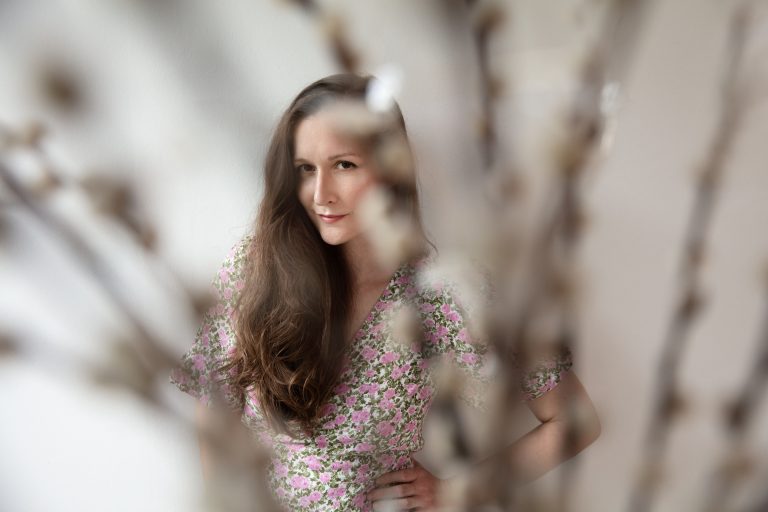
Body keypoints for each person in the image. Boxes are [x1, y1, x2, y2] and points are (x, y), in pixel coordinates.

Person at [170, 72, 601, 511]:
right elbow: (212, 402)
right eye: (306, 169)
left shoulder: (440, 298)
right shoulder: (257, 269)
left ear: (390, 170)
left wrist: (456, 492)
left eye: (344, 165)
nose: (321, 194)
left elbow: (574, 422)